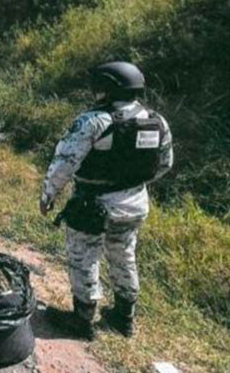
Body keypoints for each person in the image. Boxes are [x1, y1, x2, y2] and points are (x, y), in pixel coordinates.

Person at [39, 61, 173, 340]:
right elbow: (164, 165)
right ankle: (124, 318)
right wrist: (129, 186)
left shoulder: (94, 121)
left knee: (84, 256)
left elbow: (65, 162)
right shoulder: (157, 120)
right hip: (135, 203)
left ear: (108, 88)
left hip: (94, 204)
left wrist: (48, 194)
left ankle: (82, 319)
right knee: (124, 256)